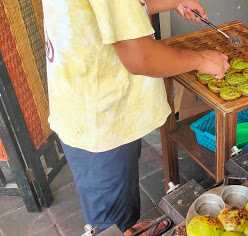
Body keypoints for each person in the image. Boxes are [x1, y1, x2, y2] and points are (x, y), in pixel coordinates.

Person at [42, 0, 229, 233]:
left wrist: (175, 2)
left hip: (86, 106)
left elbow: (115, 12)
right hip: (101, 120)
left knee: (121, 211)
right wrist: (202, 59)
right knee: (111, 225)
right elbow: (140, 57)